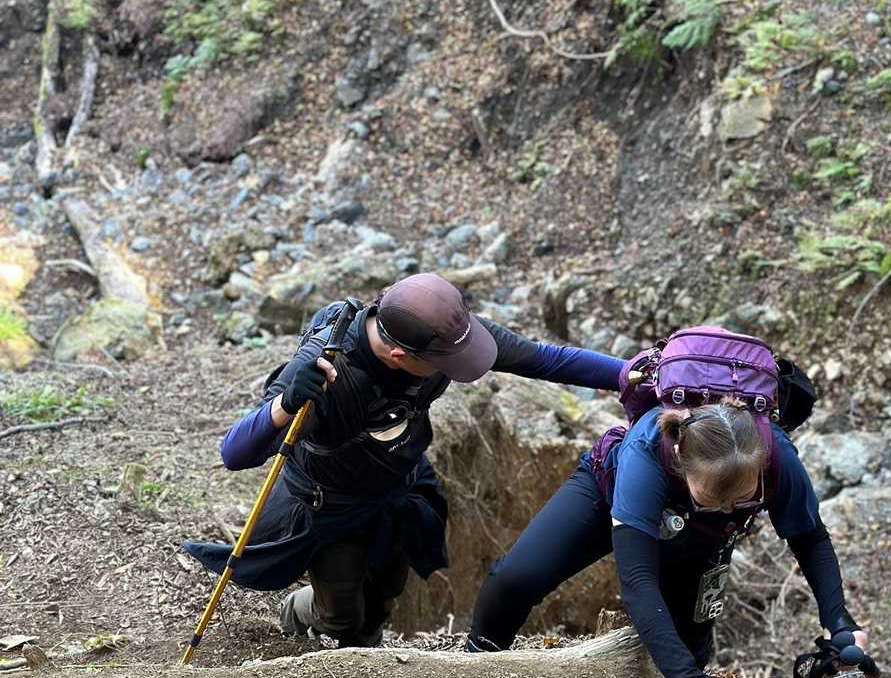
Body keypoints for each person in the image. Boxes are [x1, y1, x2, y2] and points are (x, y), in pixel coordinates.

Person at [184, 274, 623, 647]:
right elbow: (234, 452)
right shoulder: (329, 374)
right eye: (445, 364)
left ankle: (368, 654)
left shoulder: (444, 334)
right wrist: (285, 403)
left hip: (399, 482)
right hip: (331, 503)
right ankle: (299, 613)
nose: (456, 367)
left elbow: (542, 358)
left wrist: (626, 372)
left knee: (383, 600)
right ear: (399, 356)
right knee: (341, 619)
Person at [464, 399, 871, 678]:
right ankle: (474, 668)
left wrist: (838, 620)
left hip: (705, 537)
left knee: (691, 647)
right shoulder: (645, 454)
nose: (728, 507)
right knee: (517, 580)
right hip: (608, 497)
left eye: (741, 499)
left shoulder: (777, 458)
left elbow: (810, 538)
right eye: (714, 497)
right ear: (680, 458)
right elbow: (638, 581)